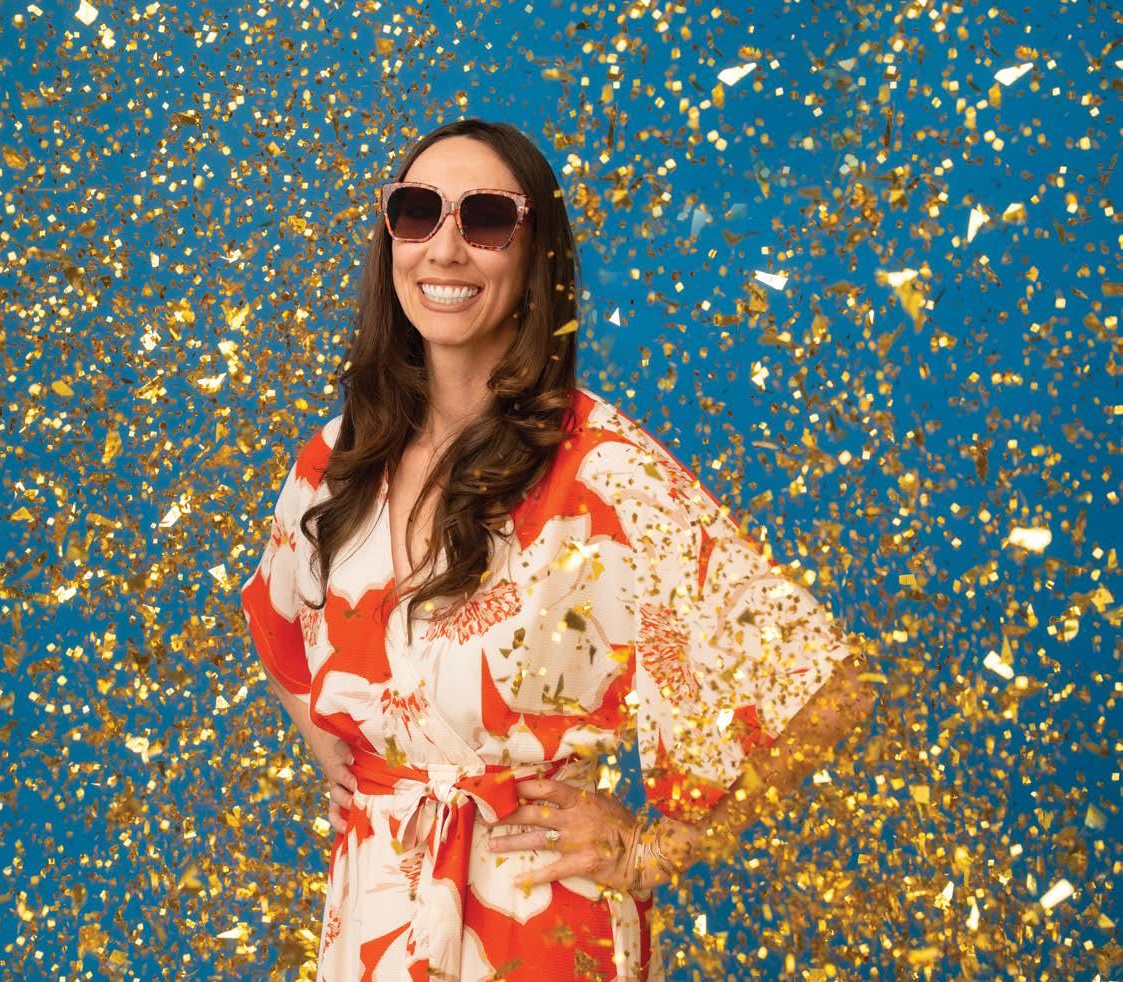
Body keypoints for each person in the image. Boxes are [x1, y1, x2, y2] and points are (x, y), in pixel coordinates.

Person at [240, 119, 879, 980]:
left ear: (536, 256)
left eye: (486, 220)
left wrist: (654, 852)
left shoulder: (604, 468)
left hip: (537, 919)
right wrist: (355, 756)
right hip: (375, 916)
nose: (445, 248)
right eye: (418, 212)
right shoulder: (337, 459)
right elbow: (278, 619)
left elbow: (824, 688)